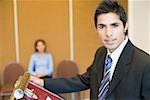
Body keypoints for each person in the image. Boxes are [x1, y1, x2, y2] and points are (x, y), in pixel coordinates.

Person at [30, 1, 150, 99]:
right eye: (102, 27)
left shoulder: (144, 64)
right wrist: (43, 83)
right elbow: (82, 81)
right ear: (96, 29)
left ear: (125, 26)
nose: (108, 33)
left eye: (114, 25)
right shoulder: (101, 53)